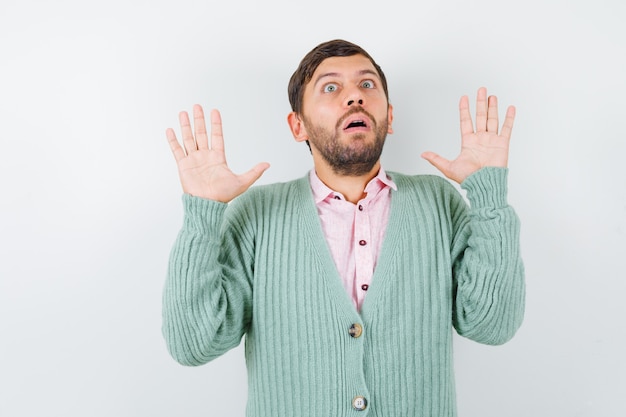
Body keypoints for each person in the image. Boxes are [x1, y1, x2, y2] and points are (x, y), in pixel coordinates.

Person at [162, 39, 525, 417]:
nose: (355, 97)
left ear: (390, 115)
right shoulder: (257, 214)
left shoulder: (437, 203)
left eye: (367, 85)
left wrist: (488, 198)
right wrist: (202, 214)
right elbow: (193, 344)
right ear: (297, 125)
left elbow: (492, 325)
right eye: (331, 87)